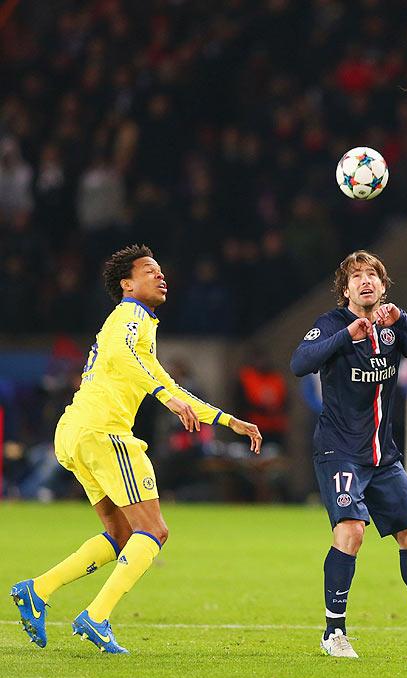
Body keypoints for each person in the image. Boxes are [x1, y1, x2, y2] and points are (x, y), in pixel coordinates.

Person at [10, 244, 262, 654]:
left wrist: (226, 420)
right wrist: (165, 396)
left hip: (76, 433)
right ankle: (96, 617)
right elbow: (123, 357)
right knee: (154, 531)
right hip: (104, 431)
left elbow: (162, 378)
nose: (160, 275)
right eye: (149, 270)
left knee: (122, 533)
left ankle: (37, 590)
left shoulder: (140, 327)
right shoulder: (129, 316)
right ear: (127, 284)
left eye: (161, 270)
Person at [290, 250, 407, 659]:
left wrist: (402, 320)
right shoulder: (332, 325)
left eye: (372, 275)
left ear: (383, 285)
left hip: (382, 456)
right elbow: (300, 363)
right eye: (356, 277)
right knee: (352, 531)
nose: (365, 281)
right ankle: (332, 634)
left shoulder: (393, 327)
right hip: (339, 452)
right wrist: (346, 336)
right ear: (345, 289)